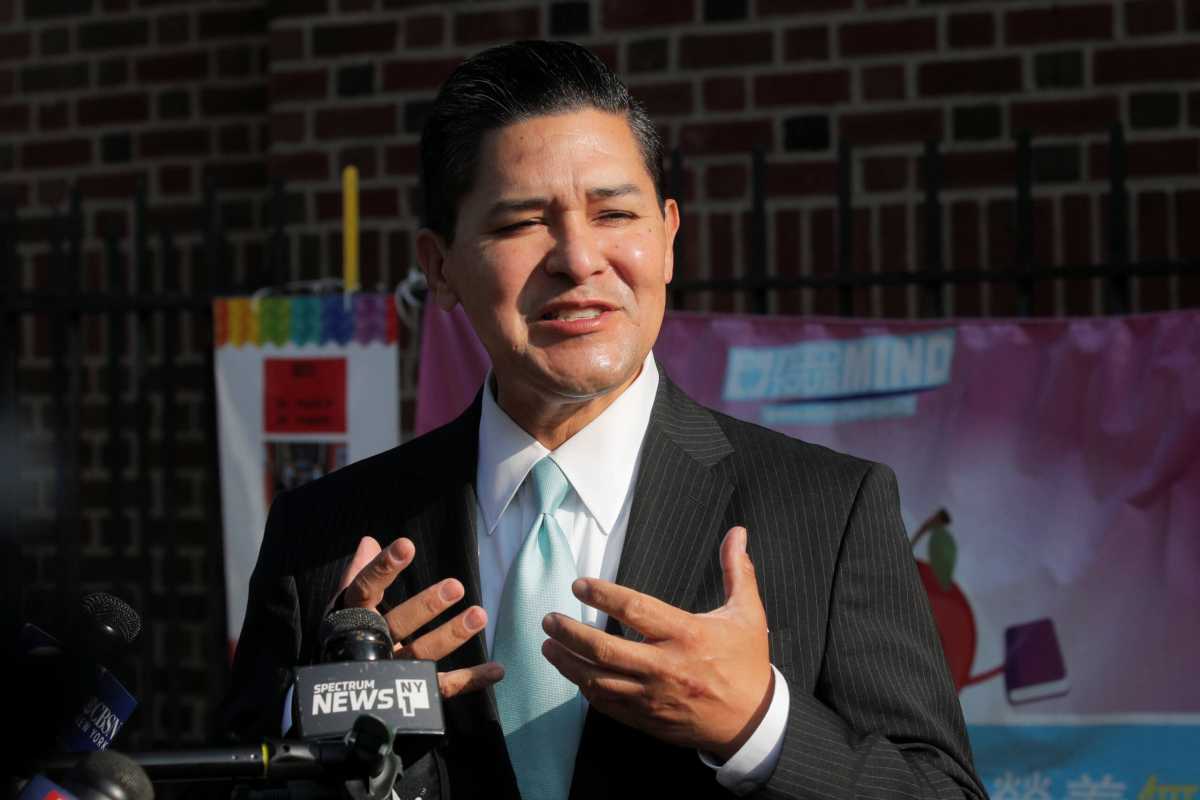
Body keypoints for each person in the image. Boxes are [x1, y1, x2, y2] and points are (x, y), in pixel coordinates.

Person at [225, 40, 986, 800]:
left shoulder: (825, 509)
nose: (578, 258)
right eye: (522, 222)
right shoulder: (322, 537)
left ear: (667, 239)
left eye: (614, 212)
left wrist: (758, 725)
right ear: (440, 266)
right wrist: (328, 719)